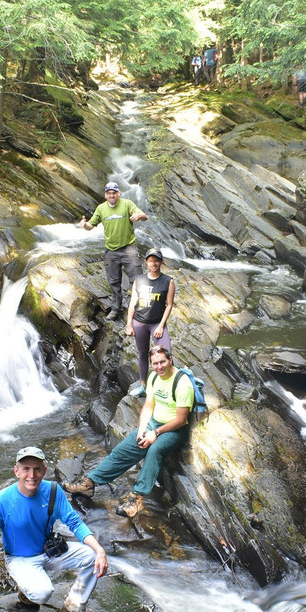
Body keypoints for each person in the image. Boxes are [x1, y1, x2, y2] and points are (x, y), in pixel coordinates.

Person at [0, 447, 109, 612]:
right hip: (20, 558)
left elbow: (74, 522)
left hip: (50, 551)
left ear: (44, 470)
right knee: (43, 593)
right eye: (26, 469)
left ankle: (74, 608)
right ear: (16, 471)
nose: (31, 475)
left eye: (36, 469)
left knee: (93, 556)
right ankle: (26, 591)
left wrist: (100, 550)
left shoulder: (53, 491)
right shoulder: (1, 501)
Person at [65, 346, 194, 518]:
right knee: (124, 448)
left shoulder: (182, 383)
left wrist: (155, 433)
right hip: (154, 423)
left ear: (170, 360)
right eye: (155, 363)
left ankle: (136, 498)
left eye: (163, 361)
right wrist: (142, 429)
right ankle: (90, 483)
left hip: (175, 429)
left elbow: (180, 419)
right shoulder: (154, 377)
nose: (160, 366)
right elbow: (148, 406)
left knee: (155, 450)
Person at [79, 181, 148, 320]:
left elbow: (145, 216)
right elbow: (90, 226)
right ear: (105, 195)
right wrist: (84, 225)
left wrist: (138, 216)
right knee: (113, 281)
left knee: (137, 279)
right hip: (111, 251)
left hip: (129, 248)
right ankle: (116, 309)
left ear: (118, 193)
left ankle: (142, 309)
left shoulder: (127, 204)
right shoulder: (101, 209)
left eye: (114, 193)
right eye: (109, 193)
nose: (112, 195)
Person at [125, 248, 175, 398]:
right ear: (146, 262)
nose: (154, 263)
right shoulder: (139, 280)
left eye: (157, 260)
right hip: (139, 323)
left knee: (166, 353)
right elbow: (133, 302)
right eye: (151, 260)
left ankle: (170, 386)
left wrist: (161, 325)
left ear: (161, 262)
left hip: (156, 324)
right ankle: (143, 386)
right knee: (142, 354)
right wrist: (129, 324)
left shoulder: (168, 281)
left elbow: (169, 305)